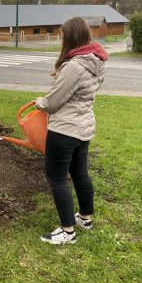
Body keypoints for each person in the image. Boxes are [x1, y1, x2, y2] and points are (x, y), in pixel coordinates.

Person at [35, 17, 108, 245]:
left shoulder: (75, 66)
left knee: (56, 178)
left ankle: (67, 231)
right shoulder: (94, 60)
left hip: (65, 130)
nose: (60, 39)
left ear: (71, 37)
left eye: (62, 35)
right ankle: (84, 218)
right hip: (84, 127)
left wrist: (41, 103)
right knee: (80, 174)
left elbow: (54, 101)